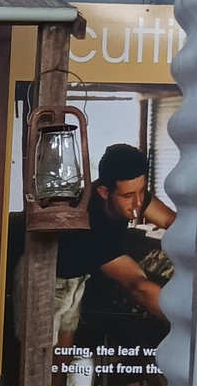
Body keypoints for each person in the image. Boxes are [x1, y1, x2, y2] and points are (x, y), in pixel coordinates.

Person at [52, 143, 175, 350]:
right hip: (55, 279)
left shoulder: (134, 198)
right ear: (103, 192)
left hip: (85, 272)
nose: (137, 203)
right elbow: (139, 287)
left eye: (142, 191)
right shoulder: (91, 225)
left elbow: (172, 222)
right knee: (54, 362)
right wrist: (188, 321)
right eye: (128, 196)